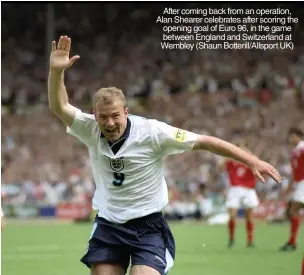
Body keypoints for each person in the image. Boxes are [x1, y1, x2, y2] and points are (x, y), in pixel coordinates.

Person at [48, 35, 282, 275]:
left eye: (115, 115)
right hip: (109, 223)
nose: (110, 122)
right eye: (103, 116)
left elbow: (204, 141)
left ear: (126, 113)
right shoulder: (89, 128)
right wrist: (57, 72)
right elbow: (59, 107)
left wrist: (251, 160)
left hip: (147, 226)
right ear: (94, 115)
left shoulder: (153, 132)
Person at [218, 139, 259, 248]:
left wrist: (244, 150)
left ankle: (250, 241)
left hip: (248, 189)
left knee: (249, 216)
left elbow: (257, 162)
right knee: (232, 215)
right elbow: (220, 168)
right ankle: (232, 239)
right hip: (235, 189)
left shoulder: (250, 159)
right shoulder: (231, 161)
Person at [280, 128, 304, 251]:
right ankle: (292, 241)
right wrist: (289, 187)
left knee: (293, 210)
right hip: (299, 184)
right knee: (292, 210)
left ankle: (292, 242)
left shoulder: (302, 147)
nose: (290, 139)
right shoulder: (295, 151)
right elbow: (295, 171)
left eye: (291, 136)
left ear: (298, 136)